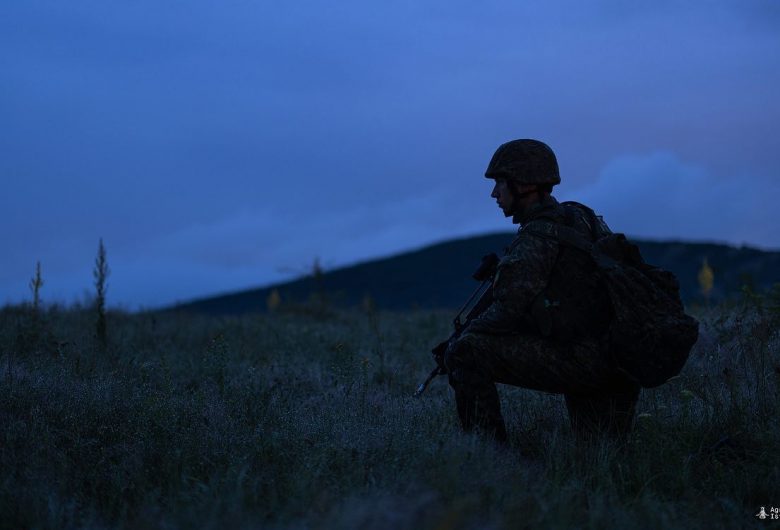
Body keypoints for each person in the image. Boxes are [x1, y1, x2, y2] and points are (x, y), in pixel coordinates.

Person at [443, 139, 641, 443]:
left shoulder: (538, 236)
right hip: (620, 360)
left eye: (500, 183)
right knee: (600, 458)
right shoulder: (581, 217)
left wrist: (460, 337)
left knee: (464, 351)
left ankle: (487, 457)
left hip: (586, 362)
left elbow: (506, 314)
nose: (494, 193)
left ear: (523, 184)